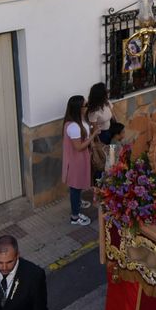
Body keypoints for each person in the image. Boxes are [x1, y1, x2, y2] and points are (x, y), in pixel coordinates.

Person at [62, 95, 93, 226]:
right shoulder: (73, 127)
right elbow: (79, 147)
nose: (87, 107)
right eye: (85, 105)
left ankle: (79, 202)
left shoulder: (78, 121)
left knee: (78, 185)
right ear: (78, 109)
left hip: (80, 159)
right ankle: (75, 216)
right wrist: (93, 137)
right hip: (76, 161)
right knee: (75, 188)